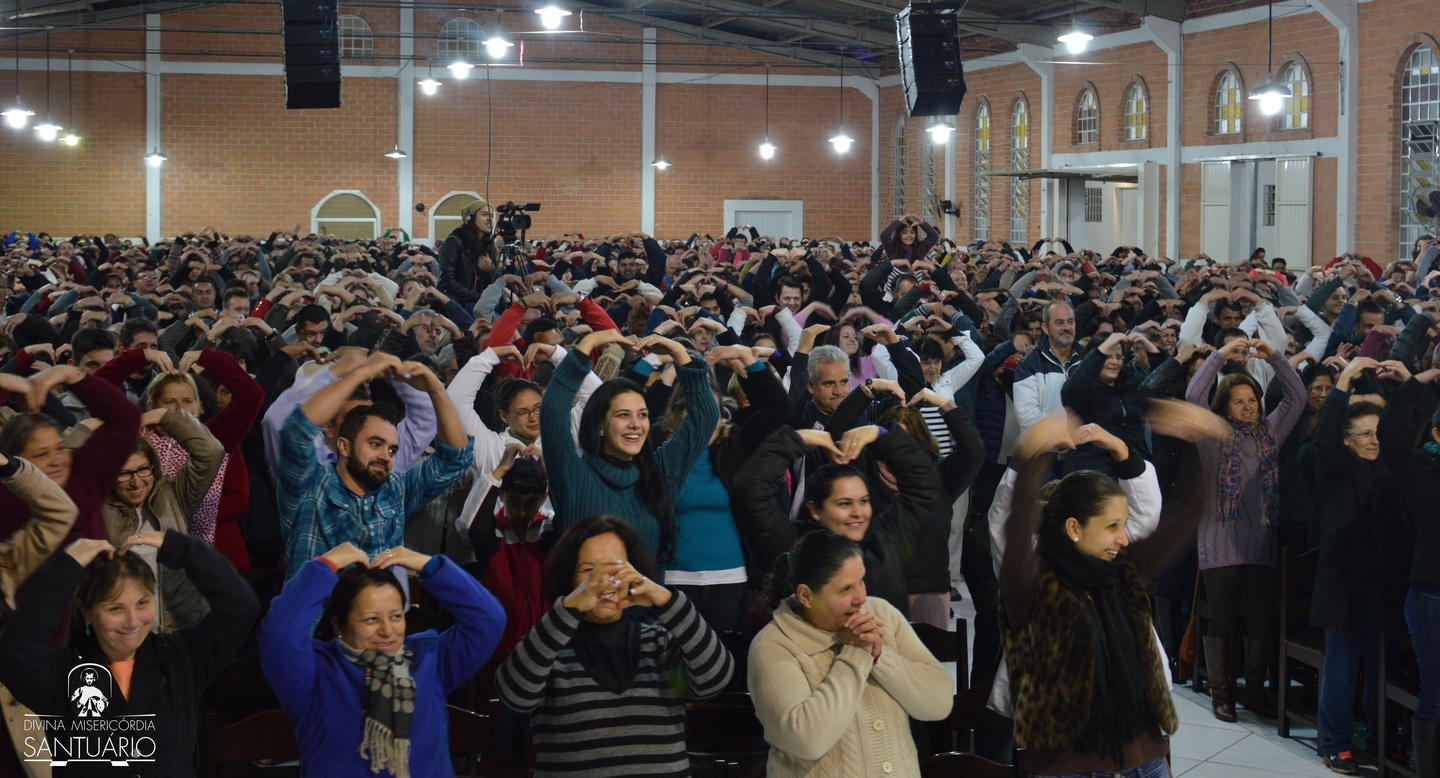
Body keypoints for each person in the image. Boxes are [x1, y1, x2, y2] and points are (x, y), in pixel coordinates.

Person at [999, 403, 1219, 777]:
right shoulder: (1033, 583)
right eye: (1112, 526)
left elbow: (1189, 513)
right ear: (1074, 528)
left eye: (1123, 524)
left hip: (1144, 760)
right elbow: (1016, 525)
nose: (1123, 537)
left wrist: (1195, 441)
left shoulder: (1122, 570)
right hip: (1069, 769)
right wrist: (1032, 453)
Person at [0, 529, 258, 776]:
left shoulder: (181, 657)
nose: (133, 621)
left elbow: (240, 607)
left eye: (142, 603)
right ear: (87, 612)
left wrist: (181, 548)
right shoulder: (60, 675)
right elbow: (14, 653)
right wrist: (66, 567)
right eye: (116, 609)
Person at [494, 514, 734, 776]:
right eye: (589, 571)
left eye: (616, 570)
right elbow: (514, 696)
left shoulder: (659, 643)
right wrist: (568, 609)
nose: (603, 582)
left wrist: (667, 602)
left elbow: (715, 681)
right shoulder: (547, 647)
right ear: (569, 578)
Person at [258, 541, 505, 778]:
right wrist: (325, 565)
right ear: (338, 625)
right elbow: (278, 634)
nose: (387, 631)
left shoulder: (428, 659)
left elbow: (489, 621)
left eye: (396, 616)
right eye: (371, 619)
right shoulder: (315, 673)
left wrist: (428, 565)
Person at [748, 529, 952, 777]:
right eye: (845, 589)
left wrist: (880, 658)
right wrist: (855, 656)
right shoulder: (773, 645)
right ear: (806, 596)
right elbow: (807, 742)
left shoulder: (881, 613)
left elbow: (940, 703)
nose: (861, 598)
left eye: (861, 581)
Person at [1186, 337, 1305, 722]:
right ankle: (1221, 694)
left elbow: (1298, 397)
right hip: (1219, 539)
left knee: (1261, 620)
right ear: (1226, 405)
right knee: (1222, 617)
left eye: (1252, 400)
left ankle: (1255, 692)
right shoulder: (1212, 432)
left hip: (1261, 540)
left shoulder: (1270, 432)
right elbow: (1194, 395)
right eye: (1239, 401)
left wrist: (1274, 356)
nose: (1248, 406)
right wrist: (1221, 355)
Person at [276, 352, 473, 579]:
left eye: (392, 450)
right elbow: (296, 430)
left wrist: (436, 390)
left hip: (382, 601)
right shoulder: (310, 486)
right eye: (375, 444)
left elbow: (455, 458)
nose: (385, 456)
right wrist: (363, 372)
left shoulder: (396, 488)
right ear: (344, 446)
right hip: (319, 603)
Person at [540, 329, 719, 563]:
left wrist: (679, 353)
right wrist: (589, 343)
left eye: (642, 415)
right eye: (623, 415)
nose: (636, 424)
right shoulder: (572, 475)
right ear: (600, 425)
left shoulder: (659, 473)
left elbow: (704, 419)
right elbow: (552, 411)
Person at [735, 423, 940, 617]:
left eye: (864, 501)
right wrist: (796, 440)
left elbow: (924, 484)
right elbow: (750, 492)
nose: (858, 512)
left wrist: (881, 435)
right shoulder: (795, 546)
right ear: (815, 509)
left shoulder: (888, 537)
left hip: (884, 644)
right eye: (844, 504)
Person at [1309, 356, 1404, 773]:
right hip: (1342, 582)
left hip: (1385, 582)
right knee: (1343, 664)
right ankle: (1335, 743)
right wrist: (1344, 380)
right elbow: (1324, 436)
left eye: (1376, 432)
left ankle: (1383, 742)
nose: (1373, 440)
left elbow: (1408, 429)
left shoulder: (1391, 467)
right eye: (1364, 434)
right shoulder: (1334, 466)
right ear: (1347, 440)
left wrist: (1405, 383)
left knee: (1383, 664)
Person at [657, 344, 792, 631]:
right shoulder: (663, 453)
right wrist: (667, 367)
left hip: (730, 581)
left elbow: (778, 407)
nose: (708, 422)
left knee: (727, 656)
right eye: (699, 412)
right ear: (676, 415)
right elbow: (643, 407)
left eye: (715, 412)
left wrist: (746, 360)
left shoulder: (736, 444)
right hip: (673, 582)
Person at [100, 407, 224, 632]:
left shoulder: (173, 495)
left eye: (143, 470)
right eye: (124, 473)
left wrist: (165, 416)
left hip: (181, 626)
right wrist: (88, 429)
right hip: (128, 632)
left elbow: (211, 452)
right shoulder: (98, 509)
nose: (136, 482)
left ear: (153, 467)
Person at [1378, 366, 1440, 778]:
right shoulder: (1422, 470)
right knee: (1437, 688)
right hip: (1432, 594)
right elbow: (1389, 434)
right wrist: (1419, 380)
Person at [437, 199, 498, 313]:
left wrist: (492, 269)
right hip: (457, 301)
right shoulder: (454, 242)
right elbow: (447, 281)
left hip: (479, 301)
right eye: (484, 214)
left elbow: (497, 282)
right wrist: (478, 297)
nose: (489, 219)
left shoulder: (489, 246)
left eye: (491, 216)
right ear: (470, 218)